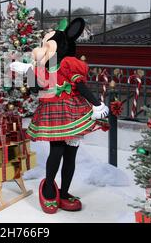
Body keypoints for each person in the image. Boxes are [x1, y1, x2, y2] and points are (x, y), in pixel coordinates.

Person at [10, 18, 109, 214]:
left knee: (71, 155)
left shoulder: (67, 64)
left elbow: (80, 85)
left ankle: (64, 193)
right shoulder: (44, 68)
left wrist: (97, 104)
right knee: (56, 151)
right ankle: (48, 188)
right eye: (43, 45)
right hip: (53, 112)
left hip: (72, 111)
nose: (43, 49)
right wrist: (29, 71)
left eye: (48, 45)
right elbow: (35, 87)